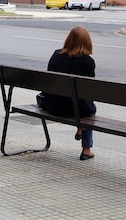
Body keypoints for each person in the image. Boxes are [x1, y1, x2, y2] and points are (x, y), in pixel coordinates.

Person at [37, 26, 97, 161]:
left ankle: (80, 129)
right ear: (87, 42)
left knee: (76, 102)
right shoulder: (88, 62)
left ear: (68, 40)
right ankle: (86, 150)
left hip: (53, 106)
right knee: (90, 109)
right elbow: (89, 90)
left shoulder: (56, 55)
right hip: (76, 110)